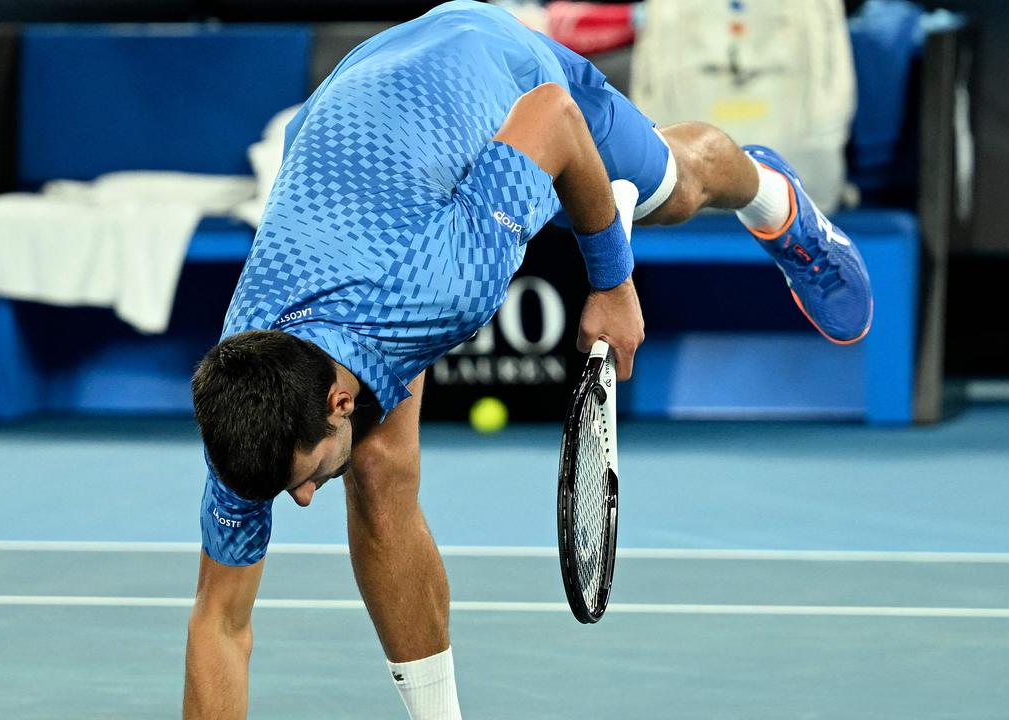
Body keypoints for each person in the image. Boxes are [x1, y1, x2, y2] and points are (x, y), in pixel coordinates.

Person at [183, 2, 872, 717]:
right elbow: (219, 625)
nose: (299, 500)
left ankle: (776, 198)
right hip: (365, 114)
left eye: (301, 480)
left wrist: (611, 282)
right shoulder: (244, 400)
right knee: (378, 466)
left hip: (497, 68)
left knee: (676, 188)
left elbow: (551, 117)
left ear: (337, 401)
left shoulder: (440, 286)